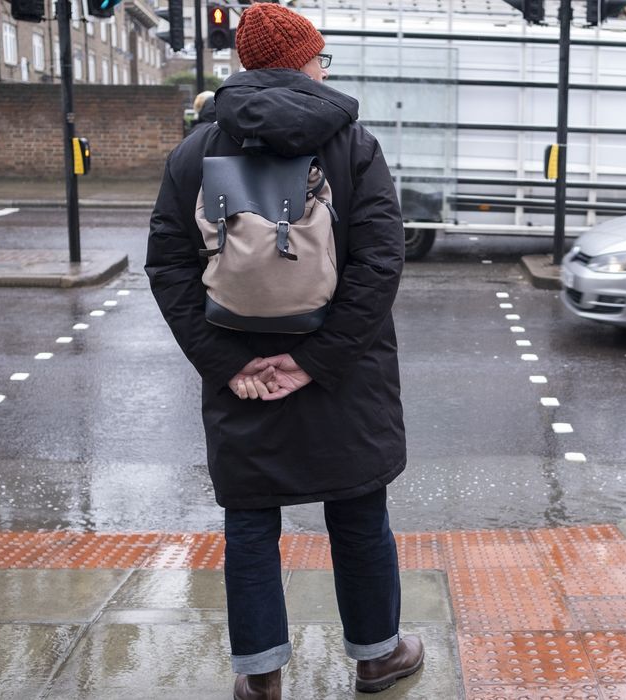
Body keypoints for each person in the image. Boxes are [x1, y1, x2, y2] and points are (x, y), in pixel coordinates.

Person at [145, 4, 420, 699]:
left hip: (242, 377)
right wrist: (313, 360)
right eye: (319, 56)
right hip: (343, 378)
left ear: (242, 65)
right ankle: (378, 657)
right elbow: (379, 265)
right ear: (302, 62)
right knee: (357, 514)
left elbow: (169, 268)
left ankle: (260, 678)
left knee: (250, 525)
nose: (324, 68)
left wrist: (227, 364)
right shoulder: (353, 146)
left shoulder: (194, 152)